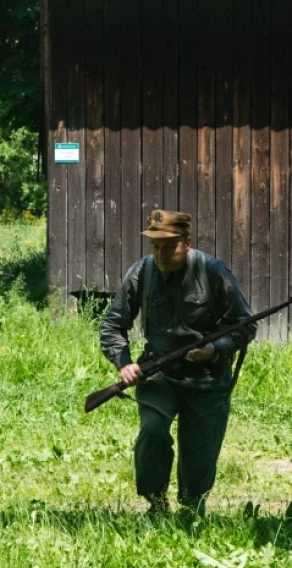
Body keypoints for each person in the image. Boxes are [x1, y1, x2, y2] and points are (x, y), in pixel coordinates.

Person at [99, 210, 256, 518]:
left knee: (199, 449)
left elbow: (245, 326)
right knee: (153, 432)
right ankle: (155, 504)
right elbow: (112, 324)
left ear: (187, 243)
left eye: (169, 246)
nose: (161, 254)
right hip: (159, 374)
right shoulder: (142, 272)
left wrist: (214, 349)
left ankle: (192, 508)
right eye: (155, 246)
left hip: (208, 378)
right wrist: (124, 363)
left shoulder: (213, 271)